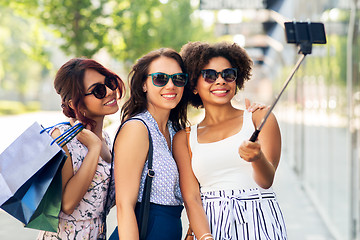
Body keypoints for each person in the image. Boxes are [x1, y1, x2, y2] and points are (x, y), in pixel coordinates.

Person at [173, 42, 287, 240]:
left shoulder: (259, 119)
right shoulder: (184, 138)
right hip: (211, 224)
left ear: (237, 79)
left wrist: (257, 157)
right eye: (209, 75)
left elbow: (266, 181)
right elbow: (192, 199)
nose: (220, 81)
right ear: (193, 86)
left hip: (259, 219)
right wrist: (205, 236)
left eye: (228, 74)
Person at [37, 58, 125, 240]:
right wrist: (94, 149)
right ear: (73, 103)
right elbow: (68, 204)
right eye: (98, 91)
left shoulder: (107, 139)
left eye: (109, 82)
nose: (110, 91)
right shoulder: (63, 139)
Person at [110, 48, 189, 240]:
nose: (171, 85)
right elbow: (124, 205)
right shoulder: (137, 129)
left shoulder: (176, 131)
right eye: (160, 78)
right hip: (143, 232)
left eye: (178, 79)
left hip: (170, 231)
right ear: (144, 84)